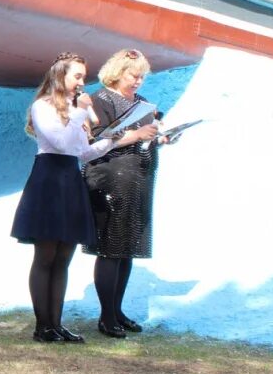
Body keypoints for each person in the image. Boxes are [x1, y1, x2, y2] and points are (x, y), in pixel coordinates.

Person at [10, 52, 157, 343]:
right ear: (59, 76)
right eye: (77, 75)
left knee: (64, 257)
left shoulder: (75, 110)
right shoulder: (43, 106)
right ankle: (43, 327)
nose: (81, 82)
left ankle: (57, 323)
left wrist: (111, 139)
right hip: (48, 179)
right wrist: (80, 111)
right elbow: (60, 142)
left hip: (70, 179)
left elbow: (83, 152)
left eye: (82, 76)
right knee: (46, 256)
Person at [83, 49, 167, 338]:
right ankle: (106, 316)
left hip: (138, 177)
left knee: (127, 247)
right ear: (118, 72)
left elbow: (149, 133)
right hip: (109, 177)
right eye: (134, 75)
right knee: (111, 247)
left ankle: (117, 311)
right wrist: (136, 135)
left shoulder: (142, 103)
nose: (138, 81)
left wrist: (162, 136)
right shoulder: (99, 100)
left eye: (142, 76)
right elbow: (94, 141)